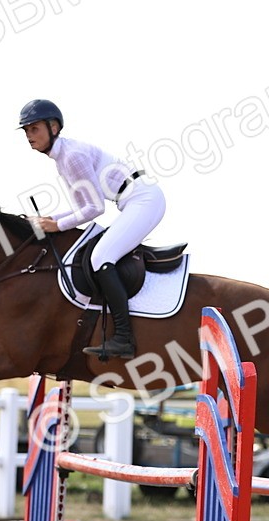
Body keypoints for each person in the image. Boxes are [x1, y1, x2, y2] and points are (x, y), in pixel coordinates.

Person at [18, 99, 165, 359]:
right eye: (26, 131)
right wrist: (48, 220)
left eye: (34, 129)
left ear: (53, 127)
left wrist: (55, 224)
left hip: (143, 200)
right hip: (135, 200)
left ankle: (123, 338)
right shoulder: (63, 157)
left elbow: (94, 209)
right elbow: (82, 206)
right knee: (99, 253)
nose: (29, 136)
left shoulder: (72, 157)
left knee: (100, 257)